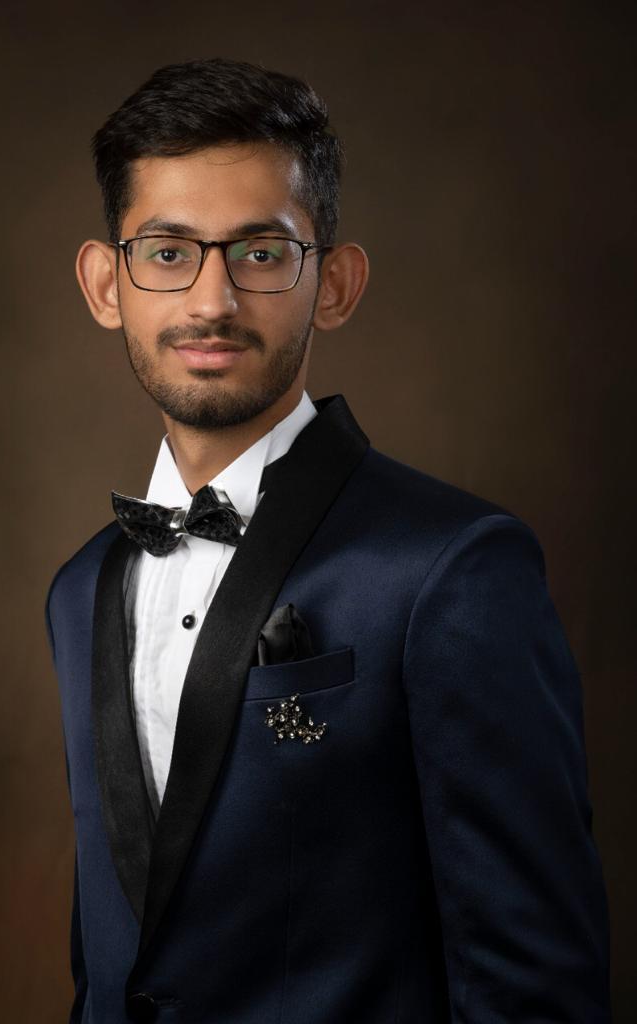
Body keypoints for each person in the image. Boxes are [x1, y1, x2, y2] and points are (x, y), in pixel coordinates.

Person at [44, 58, 611, 1024]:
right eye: (168, 251)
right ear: (108, 283)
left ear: (335, 283)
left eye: (261, 253)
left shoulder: (453, 568)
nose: (211, 301)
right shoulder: (80, 587)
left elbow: (534, 980)